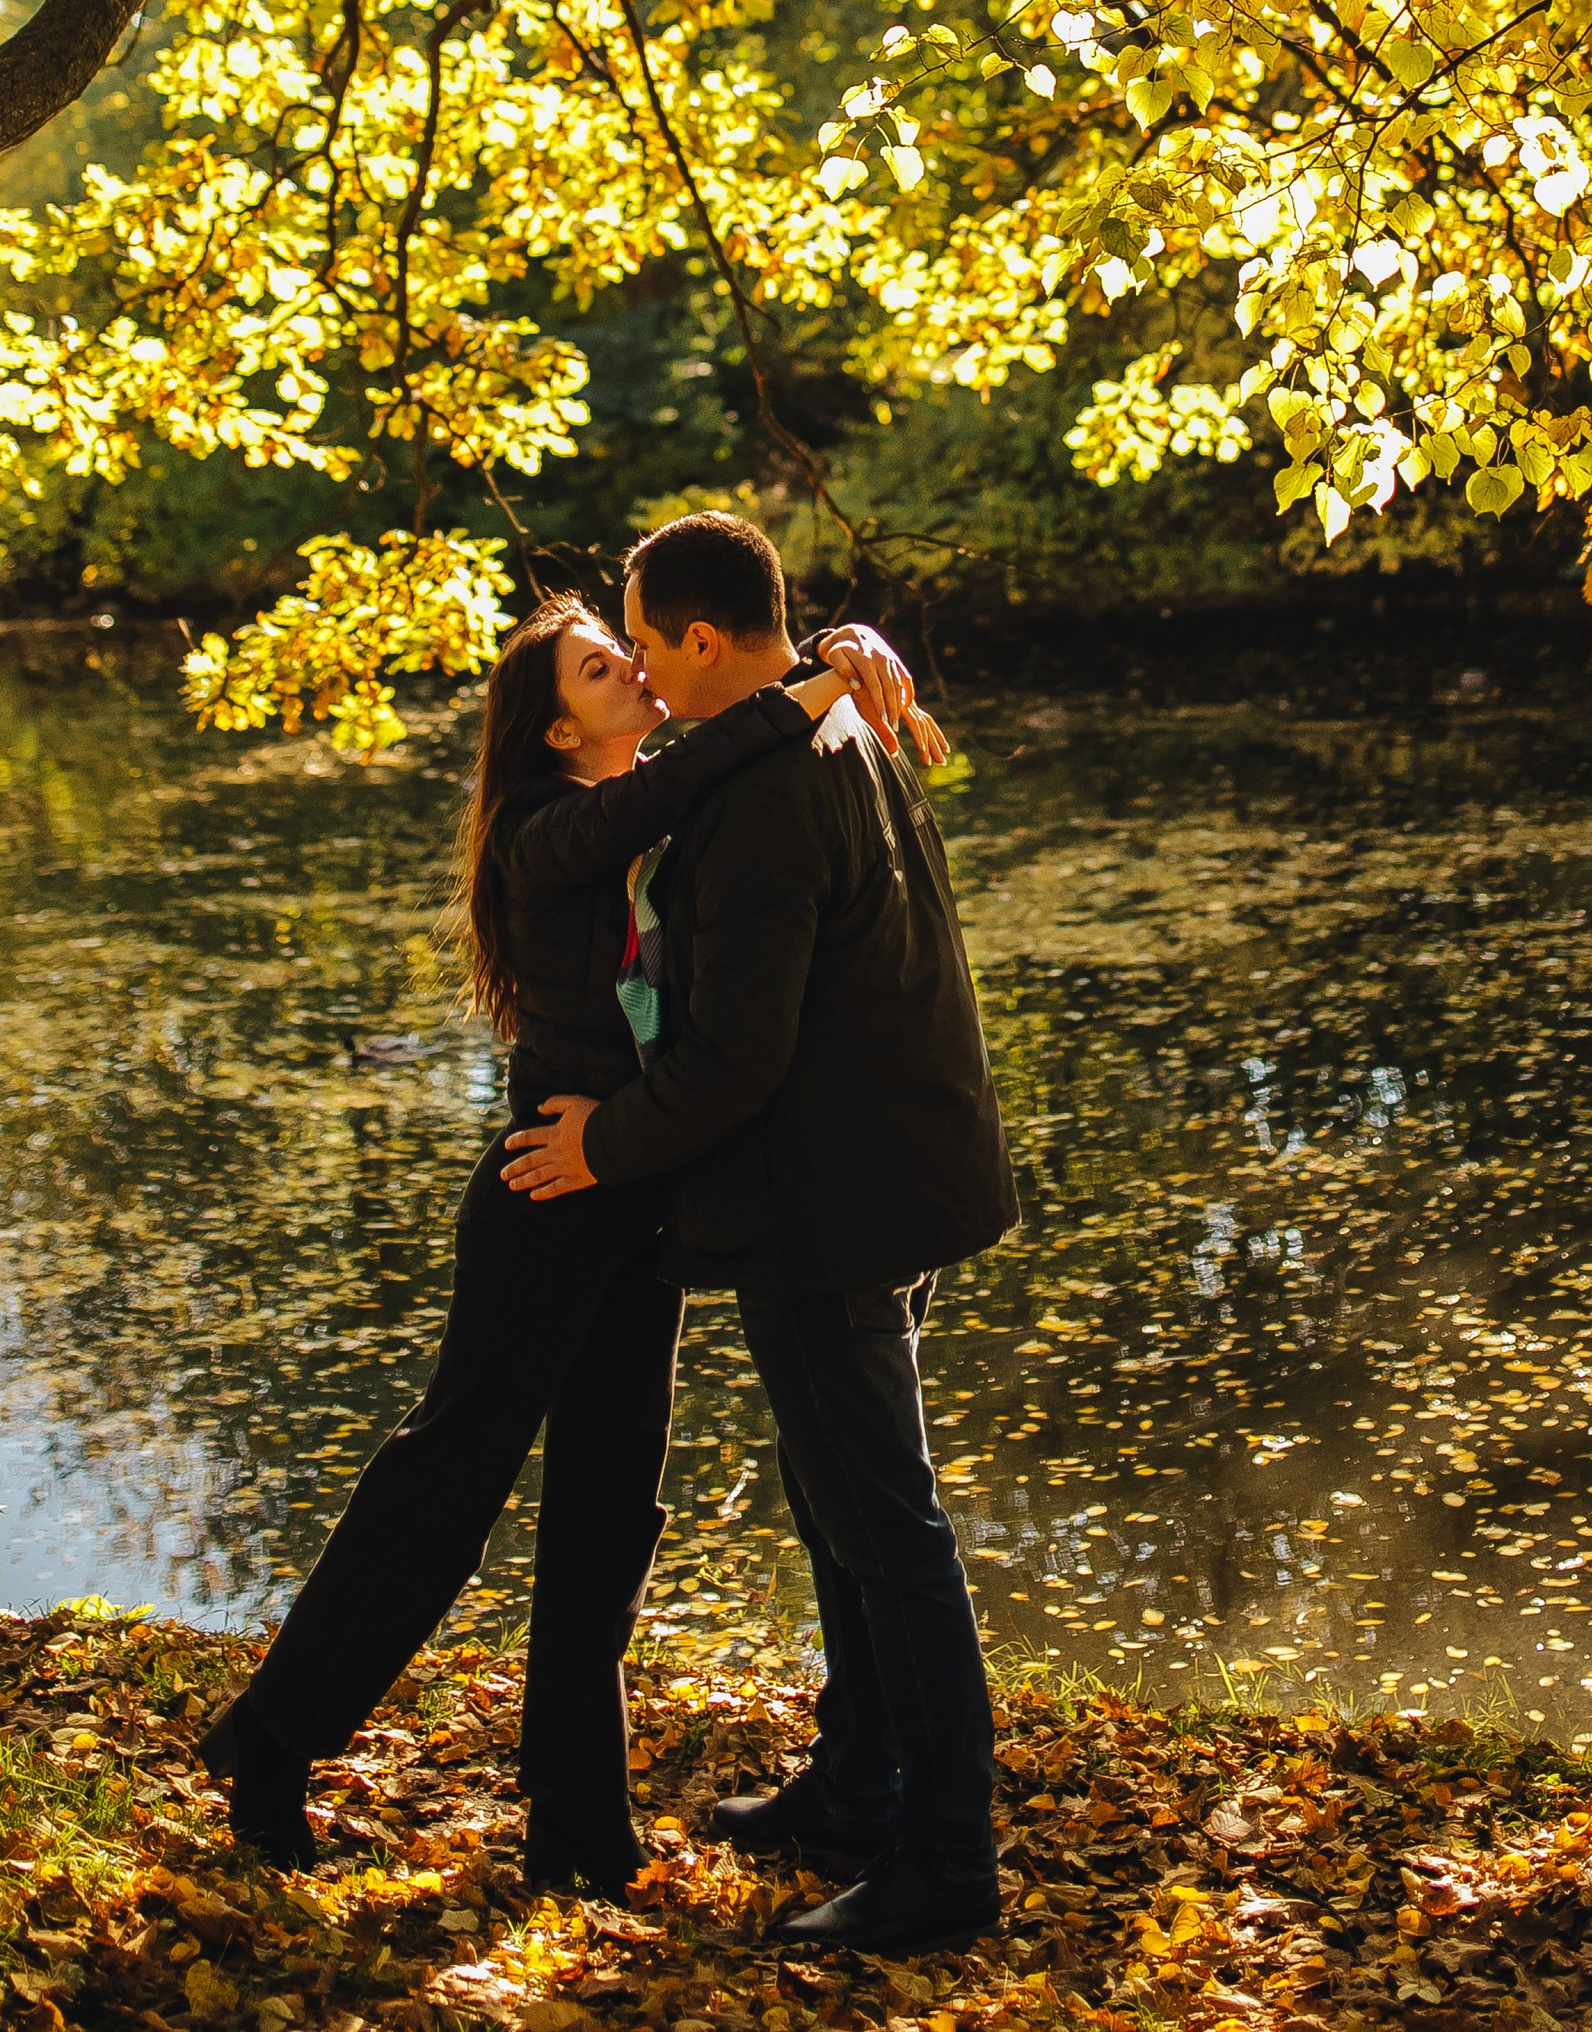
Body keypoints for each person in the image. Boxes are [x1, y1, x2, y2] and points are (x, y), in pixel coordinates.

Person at [199, 586, 915, 1889]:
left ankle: (577, 1826)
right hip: (545, 1194)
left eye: (629, 651)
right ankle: (270, 1735)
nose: (637, 671)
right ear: (550, 729)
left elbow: (706, 777)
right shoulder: (549, 831)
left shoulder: (660, 801)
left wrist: (840, 652)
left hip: (636, 1196)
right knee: (448, 1485)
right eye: (601, 668)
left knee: (608, 1508)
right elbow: (683, 775)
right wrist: (802, 692)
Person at [504, 512, 1018, 1960]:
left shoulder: (773, 788)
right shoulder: (834, 715)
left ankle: (946, 1860)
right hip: (880, 1174)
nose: (650, 681)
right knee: (842, 1505)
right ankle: (859, 1784)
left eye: (654, 647)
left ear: (712, 642)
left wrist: (599, 1141)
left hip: (835, 1198)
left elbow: (733, 1057)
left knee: (886, 1525)